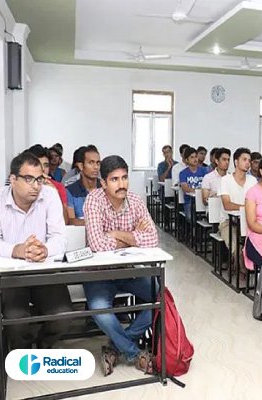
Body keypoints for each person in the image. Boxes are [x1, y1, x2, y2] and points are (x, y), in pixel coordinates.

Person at [0, 152, 72, 349]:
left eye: (40, 179)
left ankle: (42, 345)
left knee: (63, 315)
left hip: (44, 270)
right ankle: (22, 350)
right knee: (16, 320)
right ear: (13, 180)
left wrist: (45, 250)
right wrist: (18, 249)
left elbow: (59, 237)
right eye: (29, 179)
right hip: (9, 276)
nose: (36, 185)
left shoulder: (49, 195)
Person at [83, 155, 159, 375]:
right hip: (99, 274)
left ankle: (115, 349)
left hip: (128, 271)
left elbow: (153, 238)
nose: (121, 184)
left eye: (124, 177)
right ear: (103, 183)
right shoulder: (94, 200)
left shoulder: (135, 201)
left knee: (161, 297)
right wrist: (135, 235)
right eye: (114, 179)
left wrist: (116, 235)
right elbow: (97, 244)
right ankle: (134, 353)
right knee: (100, 310)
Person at [219, 148, 258, 260]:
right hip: (228, 222)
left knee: (258, 244)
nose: (248, 163)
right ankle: (241, 272)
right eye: (244, 159)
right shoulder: (225, 180)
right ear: (236, 162)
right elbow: (227, 205)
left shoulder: (253, 181)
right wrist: (246, 207)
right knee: (236, 247)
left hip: (248, 221)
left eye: (249, 160)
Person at [26, 144, 70, 224]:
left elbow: (65, 221)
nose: (43, 169)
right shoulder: (24, 185)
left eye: (46, 165)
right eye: (38, 164)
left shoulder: (58, 187)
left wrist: (55, 194)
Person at [66, 145, 101, 225]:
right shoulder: (70, 191)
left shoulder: (105, 189)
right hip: (79, 235)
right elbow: (71, 221)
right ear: (81, 166)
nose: (96, 167)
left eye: (98, 163)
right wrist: (93, 223)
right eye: (91, 163)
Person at [179, 146, 208, 223]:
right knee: (190, 218)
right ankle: (194, 232)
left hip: (203, 200)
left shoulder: (204, 171)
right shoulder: (183, 173)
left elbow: (209, 186)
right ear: (186, 160)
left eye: (196, 157)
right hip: (190, 201)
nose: (195, 159)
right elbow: (185, 189)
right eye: (192, 157)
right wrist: (200, 190)